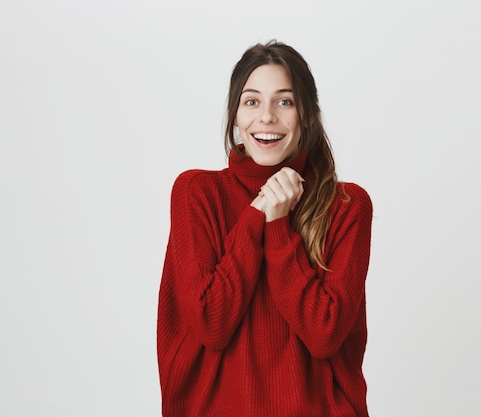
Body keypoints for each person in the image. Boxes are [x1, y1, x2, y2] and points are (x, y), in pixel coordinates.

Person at [156, 40, 373, 417]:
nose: (267, 116)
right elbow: (212, 323)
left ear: (306, 114)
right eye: (252, 101)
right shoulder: (195, 192)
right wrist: (259, 211)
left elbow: (324, 335)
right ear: (236, 116)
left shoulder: (346, 206)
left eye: (284, 101)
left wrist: (278, 225)